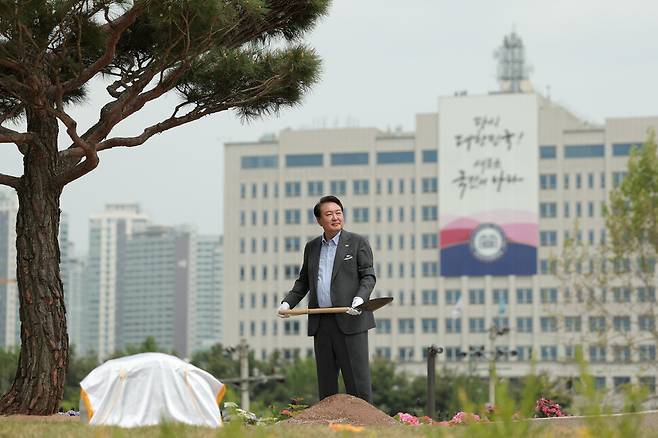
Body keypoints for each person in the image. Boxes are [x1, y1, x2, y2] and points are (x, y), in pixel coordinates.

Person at [277, 195, 376, 403]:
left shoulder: (357, 243)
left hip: (351, 321)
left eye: (338, 213)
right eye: (329, 214)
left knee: (358, 384)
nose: (335, 217)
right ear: (319, 220)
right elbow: (303, 281)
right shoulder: (312, 247)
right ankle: (329, 428)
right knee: (327, 385)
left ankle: (366, 428)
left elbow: (368, 276)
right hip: (322, 323)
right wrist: (287, 303)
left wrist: (360, 298)